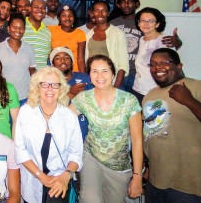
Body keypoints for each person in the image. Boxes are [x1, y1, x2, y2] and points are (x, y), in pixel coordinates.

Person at [69, 55, 143, 202]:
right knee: (90, 200)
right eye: (94, 71)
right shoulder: (84, 98)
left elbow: (137, 140)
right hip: (91, 157)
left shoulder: (129, 101)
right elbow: (63, 120)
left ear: (113, 74)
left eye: (105, 71)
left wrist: (137, 176)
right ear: (89, 75)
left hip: (119, 165)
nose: (100, 76)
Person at [142, 48, 201, 202]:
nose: (157, 67)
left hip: (187, 186)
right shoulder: (150, 95)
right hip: (155, 181)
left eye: (164, 62)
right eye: (153, 63)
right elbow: (151, 134)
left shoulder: (199, 87)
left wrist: (189, 101)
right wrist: (147, 168)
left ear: (179, 66)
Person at [14, 67, 83, 203]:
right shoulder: (25, 112)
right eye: (44, 84)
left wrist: (65, 176)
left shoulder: (69, 116)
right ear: (37, 88)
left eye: (55, 85)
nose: (50, 89)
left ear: (61, 88)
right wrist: (41, 176)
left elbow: (76, 154)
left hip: (60, 184)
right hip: (32, 182)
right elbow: (20, 150)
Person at [110, 0, 182, 92]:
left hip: (138, 77)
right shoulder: (140, 38)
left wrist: (178, 42)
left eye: (130, 1)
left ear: (137, 4)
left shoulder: (160, 37)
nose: (126, 5)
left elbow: (172, 57)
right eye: (123, 1)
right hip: (123, 75)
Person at [131, 7, 174, 104]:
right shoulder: (142, 40)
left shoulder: (165, 41)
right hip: (138, 90)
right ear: (138, 23)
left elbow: (172, 69)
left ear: (157, 24)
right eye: (143, 20)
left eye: (150, 21)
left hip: (157, 92)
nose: (146, 24)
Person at [50, 47, 93, 141]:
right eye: (58, 58)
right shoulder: (48, 82)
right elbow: (48, 109)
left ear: (72, 63)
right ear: (53, 65)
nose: (62, 60)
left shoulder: (84, 78)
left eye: (66, 57)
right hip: (59, 135)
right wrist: (70, 93)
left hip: (84, 135)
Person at [0, 13, 36, 106]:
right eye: (14, 27)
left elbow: (32, 70)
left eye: (21, 28)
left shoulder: (29, 48)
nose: (18, 30)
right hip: (3, 97)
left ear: (24, 30)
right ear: (8, 28)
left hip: (24, 98)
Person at [85, 0, 129, 88]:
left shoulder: (118, 33)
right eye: (97, 11)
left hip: (111, 82)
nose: (100, 14)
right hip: (93, 81)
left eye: (104, 10)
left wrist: (115, 87)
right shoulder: (88, 35)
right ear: (93, 13)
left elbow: (123, 65)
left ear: (108, 13)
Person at [48, 5, 86, 72]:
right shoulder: (51, 30)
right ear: (59, 18)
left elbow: (81, 59)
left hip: (73, 72)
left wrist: (82, 76)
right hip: (55, 72)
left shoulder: (80, 33)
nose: (67, 18)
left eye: (70, 15)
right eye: (64, 16)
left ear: (74, 18)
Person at [23, 0, 52, 69]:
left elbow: (47, 56)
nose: (40, 10)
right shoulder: (20, 26)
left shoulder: (47, 32)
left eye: (43, 8)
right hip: (22, 77)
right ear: (30, 9)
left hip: (40, 77)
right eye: (36, 7)